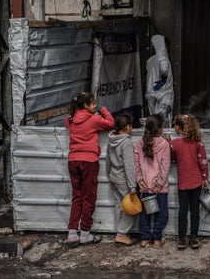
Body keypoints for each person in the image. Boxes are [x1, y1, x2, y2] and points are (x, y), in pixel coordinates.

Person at [64, 92, 115, 248]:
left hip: (73, 160)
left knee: (77, 196)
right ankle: (85, 234)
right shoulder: (94, 119)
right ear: (86, 106)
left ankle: (72, 233)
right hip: (89, 161)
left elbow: (66, 121)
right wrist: (104, 110)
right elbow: (111, 123)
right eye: (93, 104)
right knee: (89, 197)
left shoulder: (71, 120)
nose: (95, 106)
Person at [170, 114, 209, 250]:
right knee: (195, 211)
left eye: (175, 125)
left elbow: (173, 158)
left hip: (183, 184)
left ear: (179, 128)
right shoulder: (198, 142)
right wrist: (205, 178)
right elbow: (203, 162)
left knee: (183, 211)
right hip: (197, 182)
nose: (174, 128)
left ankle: (182, 239)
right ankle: (194, 237)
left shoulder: (174, 144)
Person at [134, 114, 171, 248]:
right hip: (159, 188)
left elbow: (136, 164)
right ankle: (157, 239)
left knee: (144, 214)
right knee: (161, 214)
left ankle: (144, 239)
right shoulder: (164, 144)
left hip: (144, 187)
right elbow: (165, 166)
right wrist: (159, 183)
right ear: (160, 129)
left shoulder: (139, 143)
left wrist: (140, 181)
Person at [106, 113, 140, 246]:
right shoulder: (126, 143)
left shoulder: (111, 139)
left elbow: (108, 160)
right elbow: (129, 166)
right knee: (130, 208)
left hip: (114, 177)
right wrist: (132, 187)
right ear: (127, 127)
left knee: (119, 205)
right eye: (131, 125)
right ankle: (121, 234)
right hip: (124, 180)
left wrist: (109, 175)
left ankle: (121, 232)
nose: (132, 128)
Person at [145, 35, 174, 127]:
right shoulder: (163, 58)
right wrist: (161, 83)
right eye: (167, 45)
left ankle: (154, 138)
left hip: (151, 93)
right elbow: (164, 70)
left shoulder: (151, 59)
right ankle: (162, 140)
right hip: (163, 94)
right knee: (163, 122)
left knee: (153, 120)